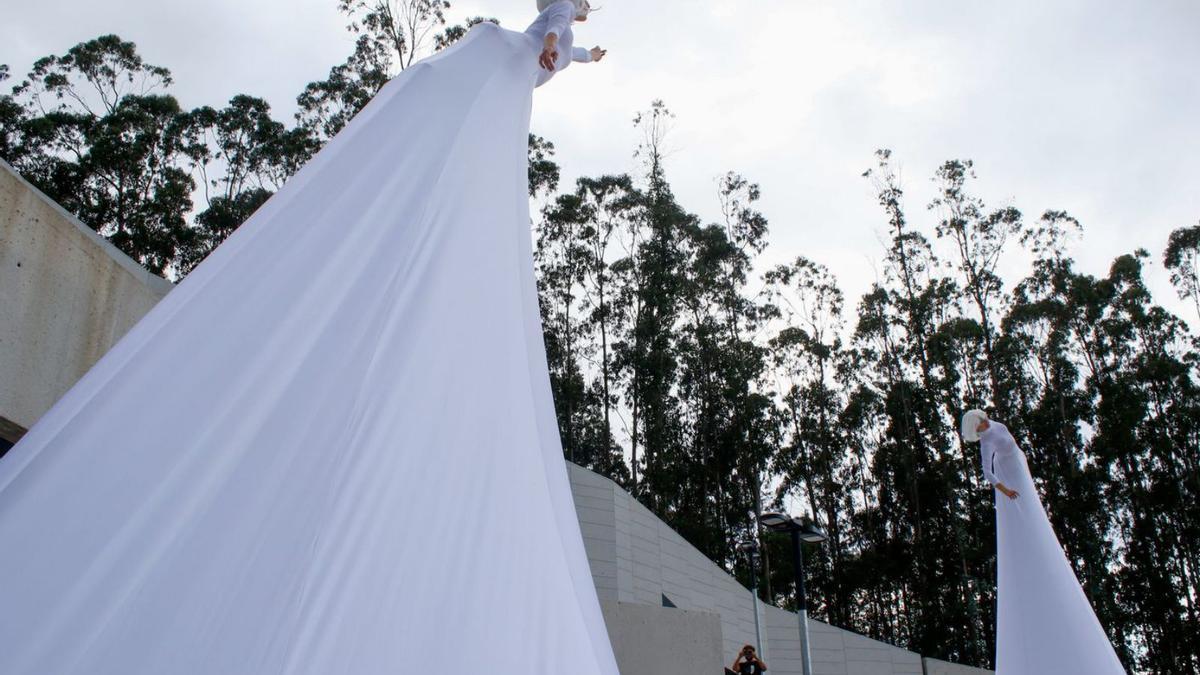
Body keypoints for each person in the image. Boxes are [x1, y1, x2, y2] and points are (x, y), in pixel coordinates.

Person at [0, 2, 618, 674]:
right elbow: (552, 29)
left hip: (485, 94)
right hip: (485, 88)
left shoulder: (550, 37)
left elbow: (560, 39)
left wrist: (577, 57)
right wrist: (558, 51)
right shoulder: (552, 20)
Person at [962, 410, 1126, 675]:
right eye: (979, 421)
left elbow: (1012, 443)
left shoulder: (996, 424)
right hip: (1010, 475)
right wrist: (1004, 489)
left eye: (982, 418)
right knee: (1023, 518)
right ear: (976, 426)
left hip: (1019, 466)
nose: (983, 422)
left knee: (1036, 517)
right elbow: (987, 471)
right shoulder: (985, 440)